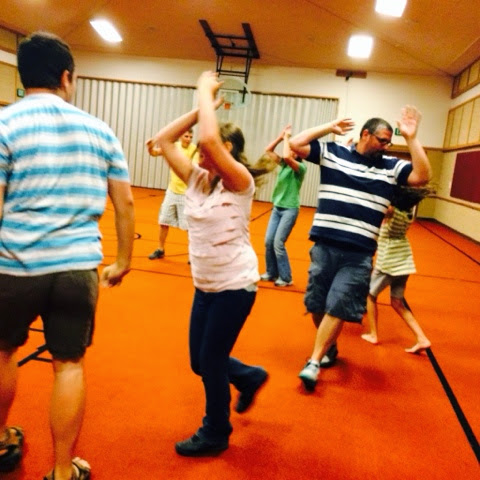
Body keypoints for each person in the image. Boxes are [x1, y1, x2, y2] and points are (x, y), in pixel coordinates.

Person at [0, 32, 135, 479]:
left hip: (14, 266)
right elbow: (124, 203)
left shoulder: (5, 124)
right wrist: (123, 260)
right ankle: (62, 471)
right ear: (66, 77)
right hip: (77, 267)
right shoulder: (100, 130)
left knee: (3, 352)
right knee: (69, 365)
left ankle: (1, 441)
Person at [150, 71, 269, 457]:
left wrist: (204, 91)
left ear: (227, 151)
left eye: (207, 151)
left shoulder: (240, 182)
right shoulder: (196, 179)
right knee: (198, 362)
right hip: (204, 287)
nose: (200, 155)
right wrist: (201, 108)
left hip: (235, 286)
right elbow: (163, 141)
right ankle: (248, 376)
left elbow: (209, 140)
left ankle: (216, 430)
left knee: (211, 360)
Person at [289, 105, 431, 391]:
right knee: (317, 305)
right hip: (325, 247)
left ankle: (314, 362)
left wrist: (412, 138)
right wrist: (329, 126)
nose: (386, 146)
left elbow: (422, 175)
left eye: (389, 142)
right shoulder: (334, 153)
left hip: (358, 254)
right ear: (365, 134)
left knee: (338, 304)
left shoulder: (391, 167)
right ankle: (329, 347)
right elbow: (295, 144)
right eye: (382, 140)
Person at [361, 185, 432, 353]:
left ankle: (374, 334)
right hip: (403, 264)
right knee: (397, 302)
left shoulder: (392, 212)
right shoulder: (407, 215)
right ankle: (422, 338)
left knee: (370, 296)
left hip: (388, 263)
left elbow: (382, 205)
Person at [259, 125, 307, 287]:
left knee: (278, 243)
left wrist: (287, 138)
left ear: (299, 154)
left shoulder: (300, 168)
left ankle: (286, 277)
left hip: (290, 209)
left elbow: (286, 156)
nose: (290, 151)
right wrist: (280, 137)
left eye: (294, 150)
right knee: (268, 241)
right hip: (277, 207)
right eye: (290, 149)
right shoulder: (284, 164)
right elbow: (268, 150)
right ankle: (271, 272)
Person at [146, 129, 198, 260]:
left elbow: (194, 169)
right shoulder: (173, 147)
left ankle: (193, 255)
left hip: (186, 194)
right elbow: (154, 153)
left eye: (191, 137)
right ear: (180, 136)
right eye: (186, 136)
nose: (188, 139)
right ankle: (160, 249)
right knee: (164, 221)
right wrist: (150, 147)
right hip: (172, 191)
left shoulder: (194, 150)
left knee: (189, 227)